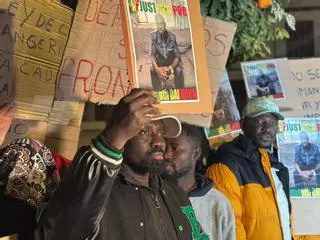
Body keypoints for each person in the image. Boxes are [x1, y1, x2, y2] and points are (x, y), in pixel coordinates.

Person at [35, 89, 209, 240]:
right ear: (123, 135)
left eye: (161, 132)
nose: (158, 141)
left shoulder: (175, 194)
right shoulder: (98, 194)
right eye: (144, 131)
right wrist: (113, 137)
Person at [207, 97, 292, 240]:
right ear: (243, 124)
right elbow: (231, 225)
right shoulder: (227, 163)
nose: (267, 128)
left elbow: (290, 221)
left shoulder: (277, 165)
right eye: (260, 121)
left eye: (272, 123)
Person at [163, 123, 236, 240]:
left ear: (195, 154)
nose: (166, 154)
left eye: (175, 148)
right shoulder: (154, 197)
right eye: (164, 147)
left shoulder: (217, 203)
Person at [150, 14, 184, 90]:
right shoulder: (153, 36)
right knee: (152, 70)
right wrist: (157, 69)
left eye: (161, 24)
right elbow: (153, 54)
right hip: (160, 63)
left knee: (179, 70)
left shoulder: (172, 36)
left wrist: (170, 67)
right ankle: (157, 92)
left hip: (171, 62)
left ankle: (180, 91)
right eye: (158, 24)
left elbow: (177, 56)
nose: (160, 27)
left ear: (165, 24)